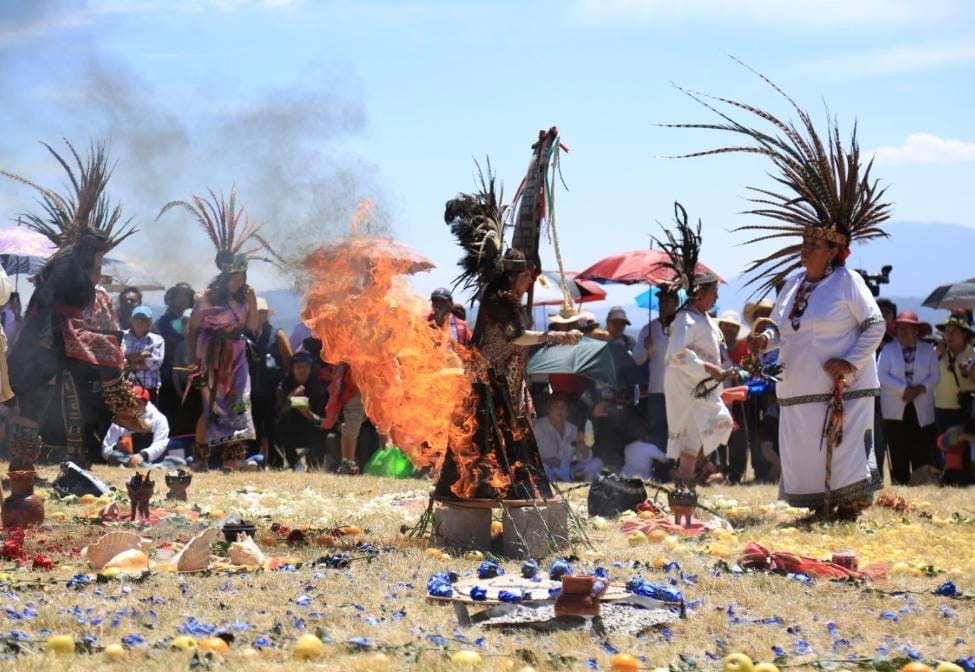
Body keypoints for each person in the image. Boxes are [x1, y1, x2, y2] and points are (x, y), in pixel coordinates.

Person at [673, 76, 891, 518]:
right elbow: (780, 327)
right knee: (802, 451)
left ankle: (844, 507)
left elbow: (875, 326)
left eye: (814, 245)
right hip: (796, 386)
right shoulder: (794, 281)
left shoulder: (848, 282)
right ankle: (816, 507)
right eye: (804, 244)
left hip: (839, 388)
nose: (805, 250)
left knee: (841, 446)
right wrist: (763, 338)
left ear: (833, 251)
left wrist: (849, 363)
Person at [5, 140, 146, 471]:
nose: (100, 261)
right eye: (98, 255)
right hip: (48, 339)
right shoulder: (70, 268)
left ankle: (30, 464)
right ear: (90, 251)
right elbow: (60, 302)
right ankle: (121, 406)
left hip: (49, 340)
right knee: (105, 349)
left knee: (41, 404)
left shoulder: (66, 264)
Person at [436, 178, 582, 500]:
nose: (532, 281)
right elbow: (517, 338)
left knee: (513, 443)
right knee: (488, 446)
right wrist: (553, 337)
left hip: (507, 385)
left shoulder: (506, 297)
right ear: (517, 275)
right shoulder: (501, 299)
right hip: (490, 386)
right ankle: (487, 495)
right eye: (529, 276)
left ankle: (516, 492)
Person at [159, 186, 271, 471]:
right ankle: (201, 458)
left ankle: (233, 459)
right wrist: (195, 359)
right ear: (225, 275)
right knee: (212, 406)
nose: (240, 279)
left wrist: (253, 304)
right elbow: (192, 329)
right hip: (211, 355)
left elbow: (255, 328)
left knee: (238, 404)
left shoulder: (246, 296)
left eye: (243, 275)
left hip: (237, 351)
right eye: (235, 275)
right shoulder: (206, 297)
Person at [655, 203, 734, 490]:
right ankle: (684, 488)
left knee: (693, 441)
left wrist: (720, 369)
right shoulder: (685, 319)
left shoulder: (704, 318)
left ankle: (684, 490)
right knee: (716, 423)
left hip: (702, 384)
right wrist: (708, 368)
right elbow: (676, 354)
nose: (716, 297)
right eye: (714, 292)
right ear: (700, 294)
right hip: (688, 384)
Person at [878, 311, 939, 485]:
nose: (902, 331)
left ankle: (922, 484)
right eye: (899, 328)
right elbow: (881, 375)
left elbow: (935, 375)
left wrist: (919, 389)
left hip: (921, 407)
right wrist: (903, 389)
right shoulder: (888, 350)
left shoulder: (928, 350)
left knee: (921, 448)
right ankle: (900, 484)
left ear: (916, 330)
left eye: (907, 327)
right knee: (898, 448)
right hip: (895, 408)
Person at [632, 285, 680, 459]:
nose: (665, 304)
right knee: (657, 429)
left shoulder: (682, 327)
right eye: (662, 301)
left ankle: (676, 466)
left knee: (678, 430)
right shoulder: (648, 329)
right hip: (657, 388)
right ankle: (660, 468)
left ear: (676, 303)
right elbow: (637, 359)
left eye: (669, 300)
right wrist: (645, 348)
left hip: (679, 388)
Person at [246, 296, 292, 462]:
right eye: (257, 312)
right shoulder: (243, 336)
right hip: (249, 391)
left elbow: (288, 361)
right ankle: (252, 460)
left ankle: (276, 462)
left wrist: (282, 384)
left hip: (272, 390)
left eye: (262, 312)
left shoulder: (277, 334)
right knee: (251, 427)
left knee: (274, 427)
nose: (260, 315)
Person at [274, 351, 329, 470]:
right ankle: (294, 464)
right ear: (292, 369)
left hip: (310, 429)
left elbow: (325, 420)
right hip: (290, 429)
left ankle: (314, 465)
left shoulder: (319, 388)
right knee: (280, 425)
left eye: (305, 367)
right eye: (298, 367)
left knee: (321, 430)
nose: (301, 370)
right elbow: (277, 414)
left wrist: (308, 414)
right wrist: (290, 400)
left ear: (311, 368)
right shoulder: (284, 386)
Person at [534, 393, 603, 482]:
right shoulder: (538, 427)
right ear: (549, 409)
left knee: (597, 463)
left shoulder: (573, 429)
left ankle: (584, 488)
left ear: (567, 412)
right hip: (547, 469)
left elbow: (584, 459)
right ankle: (557, 489)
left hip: (569, 469)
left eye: (563, 407)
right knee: (549, 466)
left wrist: (583, 446)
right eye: (556, 407)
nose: (560, 410)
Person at [101, 386, 173, 467]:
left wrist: (143, 455)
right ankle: (139, 465)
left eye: (137, 402)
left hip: (150, 459)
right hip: (124, 458)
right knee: (116, 455)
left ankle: (145, 465)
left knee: (177, 461)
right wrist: (116, 448)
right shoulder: (120, 419)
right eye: (130, 402)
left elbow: (160, 444)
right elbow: (106, 449)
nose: (133, 405)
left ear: (145, 403)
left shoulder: (159, 419)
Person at [933, 312, 975, 434]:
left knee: (964, 450)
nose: (949, 335)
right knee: (942, 448)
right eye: (947, 331)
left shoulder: (972, 354)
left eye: (954, 332)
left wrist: (969, 371)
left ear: (964, 334)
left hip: (966, 411)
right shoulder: (938, 352)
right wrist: (936, 356)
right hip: (941, 410)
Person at [122, 305, 165, 404]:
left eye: (144, 319)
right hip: (125, 388)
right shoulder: (122, 337)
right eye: (137, 318)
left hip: (149, 389)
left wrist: (128, 362)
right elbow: (118, 361)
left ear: (150, 322)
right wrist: (141, 356)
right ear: (131, 320)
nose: (140, 322)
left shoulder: (157, 340)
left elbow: (154, 364)